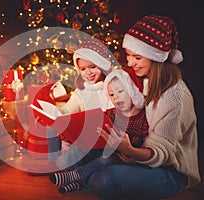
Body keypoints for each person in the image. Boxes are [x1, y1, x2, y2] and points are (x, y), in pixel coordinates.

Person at [88, 15, 201, 200]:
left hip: (171, 172)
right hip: (146, 160)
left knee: (103, 179)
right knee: (104, 159)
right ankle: (80, 177)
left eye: (137, 57)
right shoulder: (149, 82)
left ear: (156, 58)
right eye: (129, 55)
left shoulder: (175, 97)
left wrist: (131, 151)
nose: (130, 63)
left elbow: (162, 153)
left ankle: (85, 178)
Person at [48, 67, 149, 193]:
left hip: (123, 159)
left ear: (132, 91)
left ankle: (76, 176)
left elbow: (147, 146)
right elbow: (94, 123)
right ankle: (80, 183)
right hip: (104, 152)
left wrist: (135, 157)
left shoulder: (145, 118)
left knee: (106, 160)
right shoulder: (112, 113)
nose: (116, 98)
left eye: (120, 91)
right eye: (111, 95)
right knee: (78, 149)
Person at [47, 38, 115, 170]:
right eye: (83, 69)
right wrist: (53, 114)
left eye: (93, 67)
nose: (88, 73)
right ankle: (56, 165)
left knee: (99, 158)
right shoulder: (81, 91)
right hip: (83, 140)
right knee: (51, 128)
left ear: (102, 65)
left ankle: (72, 171)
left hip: (103, 141)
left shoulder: (112, 88)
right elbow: (68, 110)